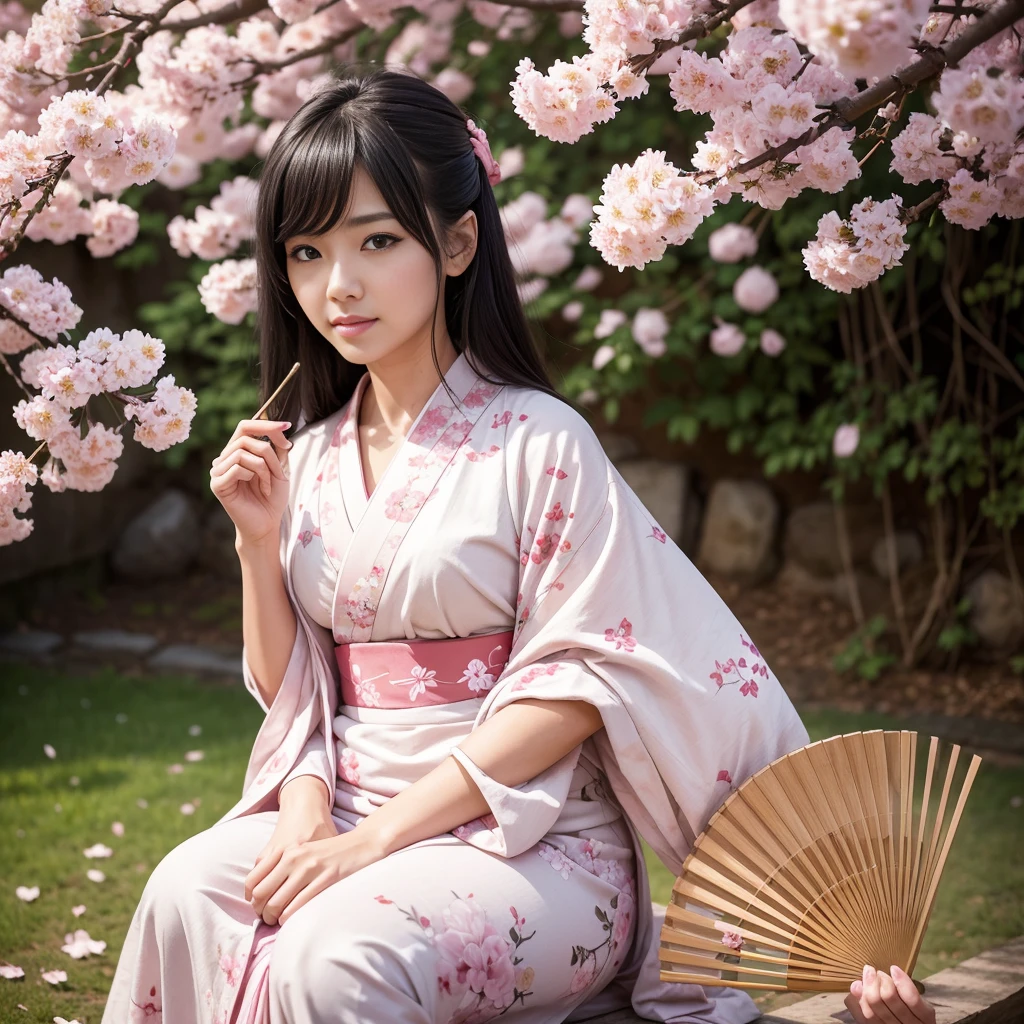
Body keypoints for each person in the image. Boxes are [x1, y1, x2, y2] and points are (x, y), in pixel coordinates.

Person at [100, 65, 937, 1024]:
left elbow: (581, 685)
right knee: (183, 890)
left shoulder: (541, 442)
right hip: (344, 805)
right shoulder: (311, 456)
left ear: (458, 243)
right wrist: (258, 548)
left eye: (376, 240)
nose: (339, 285)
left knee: (337, 960)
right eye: (305, 252)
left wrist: (371, 847)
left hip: (533, 842)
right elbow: (298, 696)